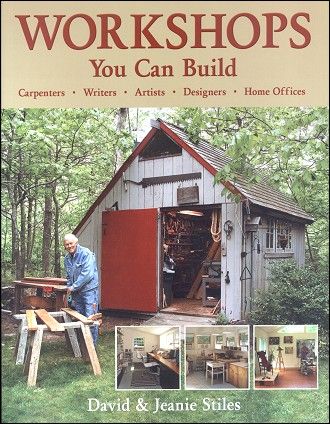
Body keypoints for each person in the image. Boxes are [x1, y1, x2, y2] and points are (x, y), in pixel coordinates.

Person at [63, 233, 99, 345]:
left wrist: (73, 287)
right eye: (66, 244)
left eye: (71, 243)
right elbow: (69, 276)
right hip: (76, 293)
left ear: (76, 242)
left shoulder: (86, 254)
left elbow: (87, 275)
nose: (69, 246)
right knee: (79, 317)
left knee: (90, 318)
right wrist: (70, 287)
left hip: (89, 291)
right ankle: (82, 344)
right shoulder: (67, 258)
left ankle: (91, 347)